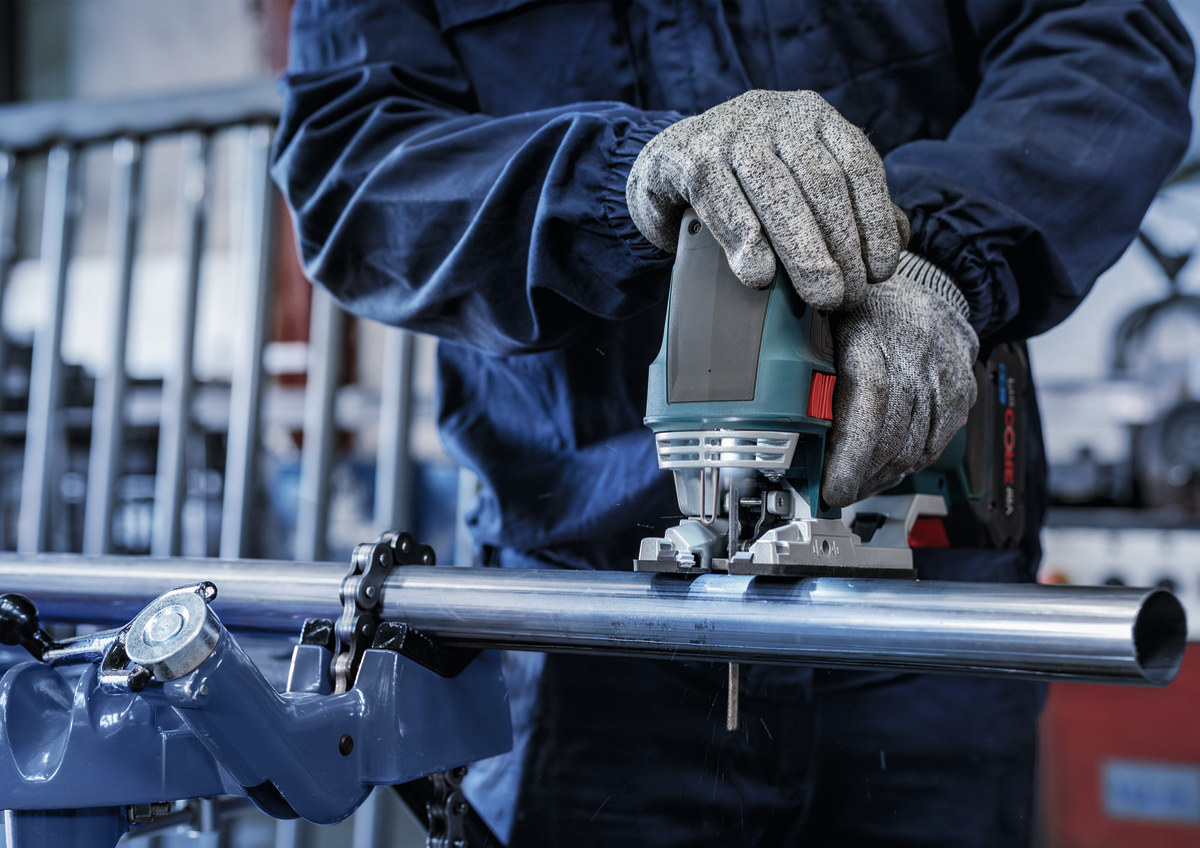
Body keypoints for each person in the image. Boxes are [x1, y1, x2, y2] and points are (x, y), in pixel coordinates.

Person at [273, 2, 1193, 845]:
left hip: (931, 610)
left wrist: (944, 253)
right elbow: (351, 160)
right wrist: (622, 181)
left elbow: (1103, 37)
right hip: (589, 621)